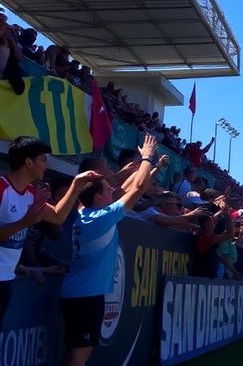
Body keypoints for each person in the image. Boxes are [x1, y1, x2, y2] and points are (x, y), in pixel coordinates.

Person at [60, 134, 165, 366]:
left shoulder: (85, 212)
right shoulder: (100, 218)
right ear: (97, 196)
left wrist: (146, 167)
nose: (113, 192)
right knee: (79, 354)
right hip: (85, 295)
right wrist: (147, 158)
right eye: (107, 190)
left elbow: (124, 189)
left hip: (81, 293)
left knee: (79, 350)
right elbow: (136, 189)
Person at [1, 137, 100, 328]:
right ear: (29, 162)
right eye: (43, 159)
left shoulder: (30, 194)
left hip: (5, 281)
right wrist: (24, 223)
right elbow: (26, 223)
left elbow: (56, 217)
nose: (47, 165)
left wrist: (76, 184)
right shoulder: (2, 187)